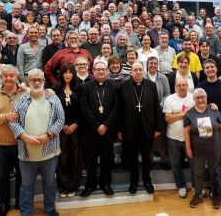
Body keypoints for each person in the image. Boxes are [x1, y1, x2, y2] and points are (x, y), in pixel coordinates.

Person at [9, 68, 64, 216]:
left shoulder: (53, 98)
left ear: (44, 81)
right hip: (27, 152)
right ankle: (26, 212)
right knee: (26, 185)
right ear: (28, 81)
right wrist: (24, 136)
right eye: (33, 79)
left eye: (40, 79)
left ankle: (50, 209)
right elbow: (13, 122)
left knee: (50, 183)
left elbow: (61, 119)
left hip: (49, 150)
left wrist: (49, 135)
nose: (37, 82)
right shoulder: (20, 100)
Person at [0, 65, 28, 216]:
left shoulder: (26, 92)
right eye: (5, 76)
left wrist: (49, 90)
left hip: (22, 142)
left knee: (23, 175)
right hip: (1, 144)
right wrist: (5, 117)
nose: (8, 78)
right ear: (1, 78)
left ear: (17, 77)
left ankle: (20, 203)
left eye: (12, 76)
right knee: (2, 176)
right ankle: (4, 205)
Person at [118, 62, 162, 194]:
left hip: (147, 128)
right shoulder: (124, 86)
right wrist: (119, 130)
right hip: (130, 129)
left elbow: (156, 108)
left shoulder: (151, 86)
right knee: (132, 157)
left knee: (146, 158)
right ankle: (134, 182)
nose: (138, 72)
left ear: (143, 71)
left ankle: (147, 180)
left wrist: (157, 128)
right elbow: (119, 109)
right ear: (131, 72)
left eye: (140, 70)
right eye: (135, 70)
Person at [80, 61, 119, 197]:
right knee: (90, 161)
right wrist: (97, 126)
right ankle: (90, 185)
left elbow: (116, 108)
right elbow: (84, 108)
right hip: (90, 131)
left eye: (103, 69)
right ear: (93, 72)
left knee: (107, 160)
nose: (101, 71)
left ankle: (105, 184)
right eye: (98, 69)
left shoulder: (114, 87)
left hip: (107, 132)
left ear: (107, 71)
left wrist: (106, 125)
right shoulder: (86, 87)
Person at [185, 88, 221, 209]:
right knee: (198, 174)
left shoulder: (214, 110)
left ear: (206, 98)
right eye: (197, 97)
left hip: (215, 148)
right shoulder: (190, 113)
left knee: (214, 173)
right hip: (198, 150)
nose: (200, 99)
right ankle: (197, 194)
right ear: (194, 100)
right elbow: (186, 131)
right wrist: (188, 147)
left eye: (202, 96)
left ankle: (215, 195)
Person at [53, 63, 82, 198]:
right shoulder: (56, 89)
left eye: (70, 72)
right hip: (61, 128)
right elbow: (53, 110)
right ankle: (63, 185)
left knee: (75, 156)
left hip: (76, 128)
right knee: (62, 156)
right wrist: (63, 125)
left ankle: (73, 185)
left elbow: (83, 109)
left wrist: (75, 124)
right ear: (61, 74)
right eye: (65, 72)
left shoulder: (79, 88)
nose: (68, 75)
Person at [163, 77, 195, 198]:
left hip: (191, 138)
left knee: (194, 163)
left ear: (187, 86)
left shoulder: (193, 97)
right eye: (179, 85)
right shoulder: (170, 99)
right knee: (176, 164)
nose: (182, 87)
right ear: (175, 87)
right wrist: (183, 114)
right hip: (173, 137)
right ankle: (181, 186)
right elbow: (167, 118)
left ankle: (195, 185)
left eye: (184, 85)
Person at [197, 59, 221, 160]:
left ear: (216, 69)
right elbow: (197, 107)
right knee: (209, 154)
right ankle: (211, 174)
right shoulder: (200, 87)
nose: (210, 69)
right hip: (205, 125)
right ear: (204, 71)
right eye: (207, 68)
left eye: (212, 67)